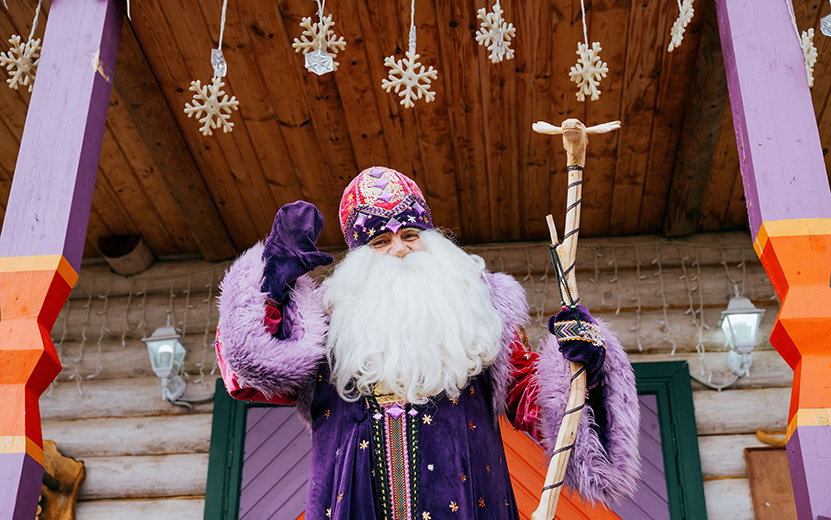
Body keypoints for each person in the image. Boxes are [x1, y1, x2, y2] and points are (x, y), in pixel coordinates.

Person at [215, 166, 640, 520]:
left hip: (471, 502)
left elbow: (529, 394)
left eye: (410, 235)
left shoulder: (481, 313)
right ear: (359, 257)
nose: (399, 249)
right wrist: (273, 282)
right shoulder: (324, 323)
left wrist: (582, 363)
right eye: (380, 241)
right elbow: (249, 377)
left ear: (431, 239)